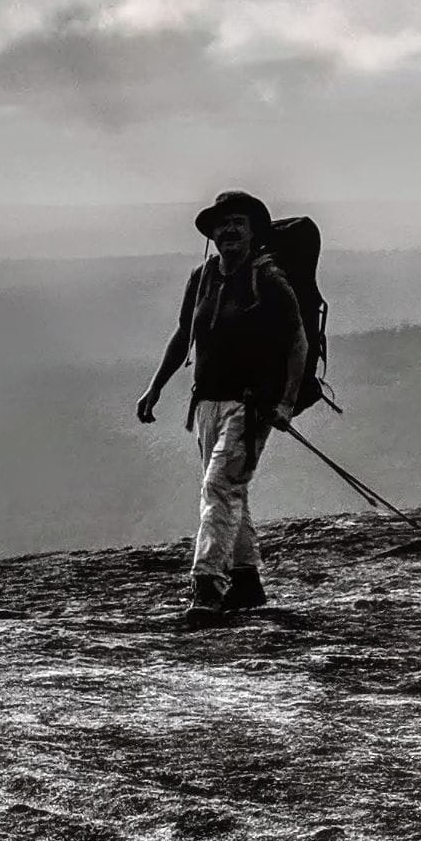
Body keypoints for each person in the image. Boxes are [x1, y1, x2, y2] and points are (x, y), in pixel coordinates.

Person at [136, 190, 309, 627]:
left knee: (218, 489)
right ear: (211, 233)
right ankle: (247, 584)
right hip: (207, 404)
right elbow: (183, 334)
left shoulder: (268, 278)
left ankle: (207, 586)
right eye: (222, 223)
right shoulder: (202, 276)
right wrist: (155, 388)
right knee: (232, 492)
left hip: (251, 407)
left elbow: (297, 340)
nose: (229, 230)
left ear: (253, 233)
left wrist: (286, 402)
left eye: (239, 223)